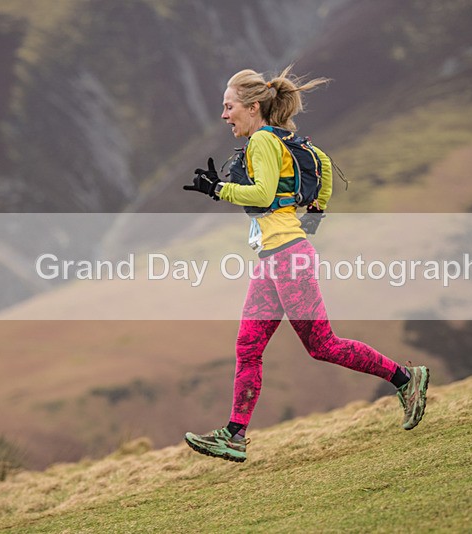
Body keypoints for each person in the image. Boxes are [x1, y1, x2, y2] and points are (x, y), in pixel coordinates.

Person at [182, 66, 429, 462]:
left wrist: (217, 189)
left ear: (253, 107)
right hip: (275, 257)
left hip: (286, 258)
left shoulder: (263, 139)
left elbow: (262, 194)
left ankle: (405, 378)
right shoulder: (282, 138)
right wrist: (312, 218)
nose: (224, 115)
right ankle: (233, 435)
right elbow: (323, 164)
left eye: (229, 107)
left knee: (322, 345)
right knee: (248, 346)